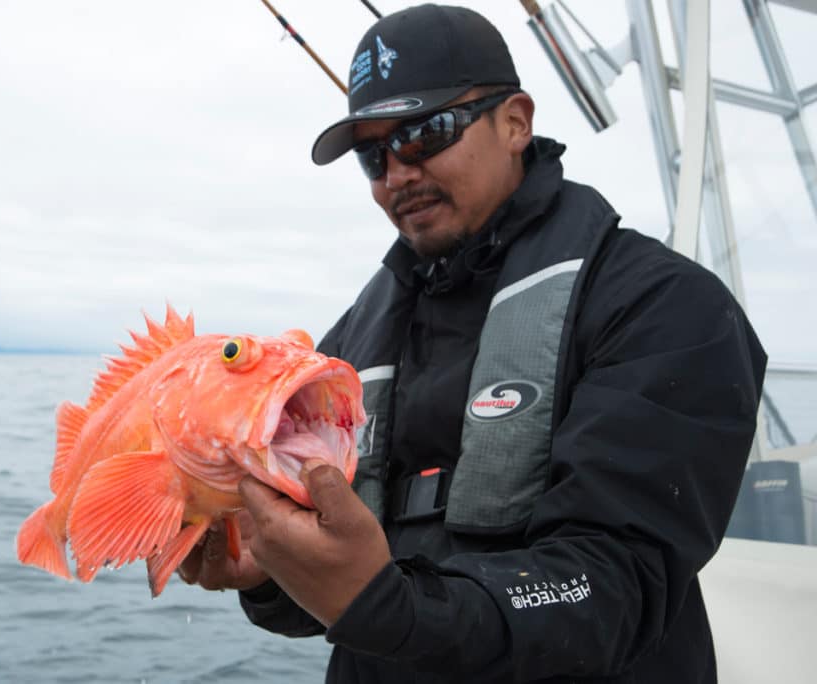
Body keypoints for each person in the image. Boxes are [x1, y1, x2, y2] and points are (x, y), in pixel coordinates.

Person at [178, 4, 767, 682]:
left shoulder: (663, 307)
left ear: (516, 121)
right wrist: (272, 578)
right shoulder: (347, 346)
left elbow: (617, 583)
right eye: (373, 155)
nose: (397, 173)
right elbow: (331, 594)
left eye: (426, 133)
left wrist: (394, 609)